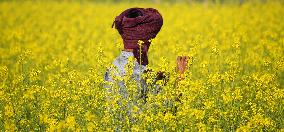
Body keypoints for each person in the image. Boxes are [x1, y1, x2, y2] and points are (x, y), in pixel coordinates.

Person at [104, 7, 189, 105]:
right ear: (144, 41)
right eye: (151, 39)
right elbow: (169, 110)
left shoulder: (112, 68)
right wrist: (181, 76)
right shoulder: (140, 74)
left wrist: (160, 78)